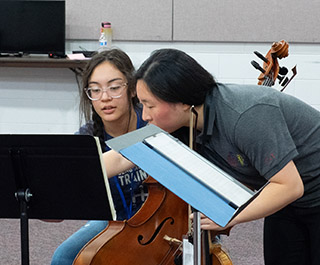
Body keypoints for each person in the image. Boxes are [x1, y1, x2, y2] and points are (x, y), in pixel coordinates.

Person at [104, 48, 320, 265]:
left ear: (182, 101)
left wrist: (226, 216)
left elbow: (289, 186)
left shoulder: (244, 115)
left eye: (150, 105)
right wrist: (77, 172)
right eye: (142, 105)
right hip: (289, 202)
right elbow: (122, 157)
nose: (145, 116)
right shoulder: (182, 121)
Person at [50, 48, 148, 265]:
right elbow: (62, 192)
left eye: (114, 88)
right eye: (95, 90)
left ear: (132, 89)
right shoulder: (87, 138)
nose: (105, 98)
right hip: (113, 220)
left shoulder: (151, 119)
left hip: (159, 218)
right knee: (64, 257)